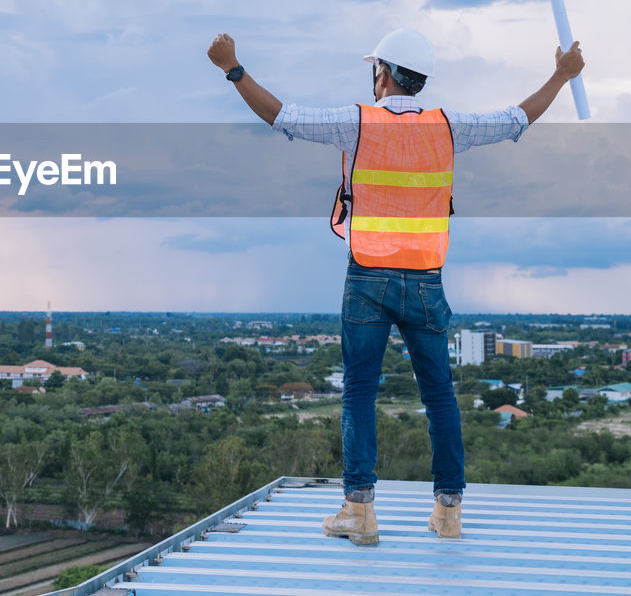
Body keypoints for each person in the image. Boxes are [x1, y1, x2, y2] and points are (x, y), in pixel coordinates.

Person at [207, 28, 585, 544]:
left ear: (381, 73)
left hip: (367, 277)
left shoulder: (354, 122)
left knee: (359, 393)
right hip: (426, 279)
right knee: (440, 396)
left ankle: (359, 514)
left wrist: (233, 68)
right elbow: (518, 118)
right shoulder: (450, 127)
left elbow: (281, 116)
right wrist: (562, 76)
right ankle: (448, 514)